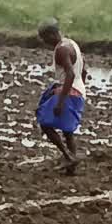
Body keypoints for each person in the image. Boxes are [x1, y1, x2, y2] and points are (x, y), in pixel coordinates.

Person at [35, 21, 88, 175]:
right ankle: (71, 167)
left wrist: (61, 101)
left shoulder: (61, 50)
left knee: (44, 121)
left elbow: (70, 74)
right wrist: (81, 90)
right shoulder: (72, 44)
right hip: (77, 90)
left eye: (45, 39)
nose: (45, 43)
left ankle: (68, 156)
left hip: (69, 90)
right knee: (67, 130)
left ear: (51, 35)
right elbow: (84, 71)